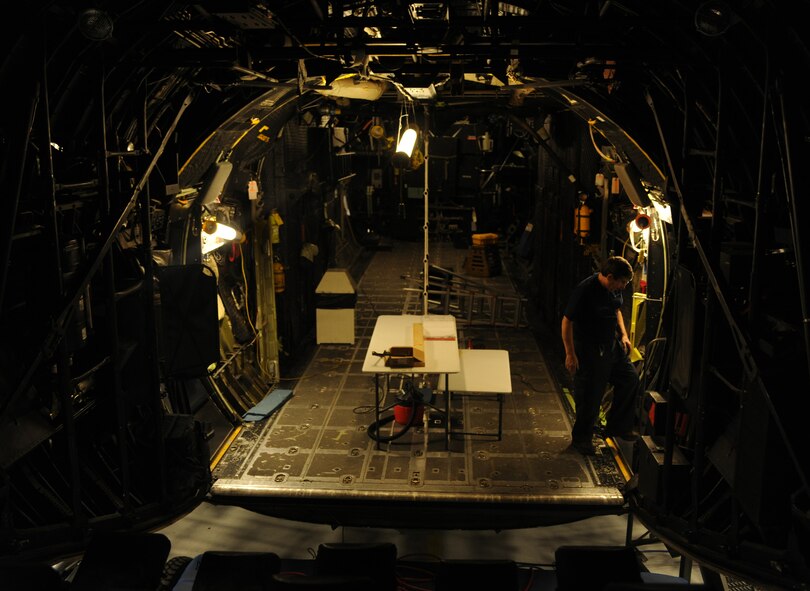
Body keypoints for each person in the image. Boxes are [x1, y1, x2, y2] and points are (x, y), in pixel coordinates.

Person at [561, 255, 641, 455]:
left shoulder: (613, 290)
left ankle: (618, 427)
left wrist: (623, 334)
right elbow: (566, 322)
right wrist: (570, 354)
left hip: (611, 345)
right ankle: (581, 439)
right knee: (591, 393)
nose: (623, 287)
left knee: (630, 378)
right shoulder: (585, 290)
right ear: (610, 277)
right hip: (590, 348)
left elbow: (617, 310)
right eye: (622, 282)